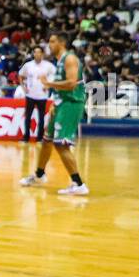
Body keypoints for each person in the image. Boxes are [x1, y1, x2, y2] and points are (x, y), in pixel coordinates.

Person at [20, 32, 88, 196]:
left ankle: (78, 183)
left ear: (62, 43)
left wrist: (48, 84)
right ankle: (39, 175)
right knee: (47, 141)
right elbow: (62, 87)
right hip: (61, 104)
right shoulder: (58, 61)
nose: (49, 45)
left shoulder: (70, 59)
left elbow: (71, 83)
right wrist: (55, 102)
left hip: (71, 104)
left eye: (52, 42)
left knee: (61, 144)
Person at [16, 47, 54, 143]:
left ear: (42, 54)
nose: (37, 54)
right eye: (35, 52)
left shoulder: (48, 65)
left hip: (42, 95)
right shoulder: (28, 65)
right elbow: (20, 75)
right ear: (33, 54)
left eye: (39, 52)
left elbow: (55, 75)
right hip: (30, 95)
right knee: (28, 117)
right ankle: (26, 137)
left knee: (41, 117)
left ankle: (40, 137)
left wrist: (48, 85)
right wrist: (23, 87)